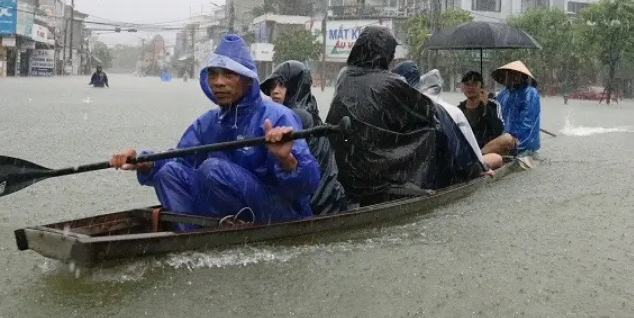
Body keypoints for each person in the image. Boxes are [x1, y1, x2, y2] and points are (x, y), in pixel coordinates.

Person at [108, 34, 321, 230]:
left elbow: (309, 184)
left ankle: (221, 232)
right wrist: (144, 161)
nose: (218, 82)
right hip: (223, 213)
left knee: (212, 169)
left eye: (229, 74)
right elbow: (179, 160)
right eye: (213, 74)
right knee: (167, 173)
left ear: (248, 80)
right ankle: (190, 240)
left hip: (278, 214)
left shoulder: (278, 116)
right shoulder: (208, 122)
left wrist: (287, 160)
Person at [325, 26, 438, 205]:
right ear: (385, 54)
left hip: (342, 169)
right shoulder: (390, 83)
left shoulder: (344, 76)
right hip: (374, 173)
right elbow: (429, 112)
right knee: (432, 131)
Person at [261, 60, 348, 215]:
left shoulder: (297, 116)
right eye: (273, 86)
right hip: (329, 199)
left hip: (316, 203)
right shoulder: (309, 111)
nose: (275, 91)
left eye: (282, 85)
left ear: (296, 87)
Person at [457, 70, 516, 156]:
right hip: (467, 150)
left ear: (482, 87)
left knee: (508, 138)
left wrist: (486, 106)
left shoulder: (493, 105)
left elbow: (499, 131)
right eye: (467, 84)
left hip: (487, 150)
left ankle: (478, 158)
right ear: (462, 88)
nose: (470, 87)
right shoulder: (458, 110)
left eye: (474, 84)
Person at [491, 60, 541, 155]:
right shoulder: (502, 94)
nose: (513, 77)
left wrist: (514, 138)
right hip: (503, 139)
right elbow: (496, 117)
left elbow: (527, 121)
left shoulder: (530, 92)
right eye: (510, 74)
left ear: (523, 76)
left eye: (516, 74)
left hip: (522, 143)